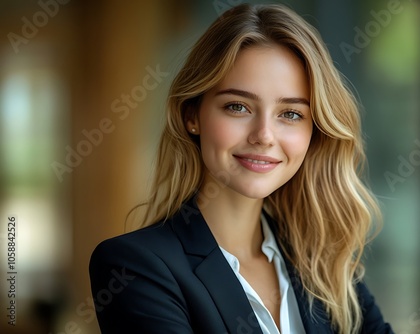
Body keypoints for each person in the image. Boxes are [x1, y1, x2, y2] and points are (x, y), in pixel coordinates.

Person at [89, 3, 394, 334]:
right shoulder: (134, 267)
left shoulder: (325, 268)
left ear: (314, 130)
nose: (263, 135)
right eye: (238, 107)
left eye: (290, 114)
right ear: (192, 115)